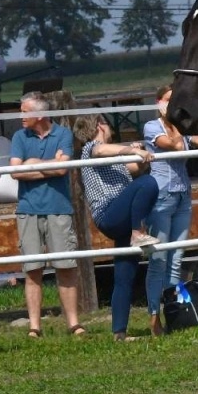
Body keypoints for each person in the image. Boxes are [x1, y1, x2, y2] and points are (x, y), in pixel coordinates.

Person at [73, 114, 160, 341]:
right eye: (107, 124)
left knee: (124, 275)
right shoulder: (91, 148)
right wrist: (130, 150)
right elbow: (101, 151)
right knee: (149, 184)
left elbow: (133, 170)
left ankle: (119, 332)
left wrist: (141, 156)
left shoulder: (112, 156)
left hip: (122, 215)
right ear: (99, 126)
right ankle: (138, 233)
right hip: (110, 214)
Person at [10, 92, 84, 338]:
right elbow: (15, 173)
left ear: (39, 114)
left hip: (59, 208)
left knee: (66, 267)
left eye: (24, 111)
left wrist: (31, 164)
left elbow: (63, 168)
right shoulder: (19, 136)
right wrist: (48, 166)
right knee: (32, 270)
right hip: (27, 210)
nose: (20, 116)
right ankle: (34, 326)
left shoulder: (63, 134)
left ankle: (73, 323)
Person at [143, 85, 198, 331]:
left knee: (176, 259)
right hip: (161, 197)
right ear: (158, 102)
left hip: (183, 195)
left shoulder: (181, 128)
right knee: (159, 260)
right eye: (169, 100)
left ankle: (175, 313)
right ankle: (154, 315)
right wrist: (175, 127)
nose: (173, 105)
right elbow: (175, 146)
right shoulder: (152, 127)